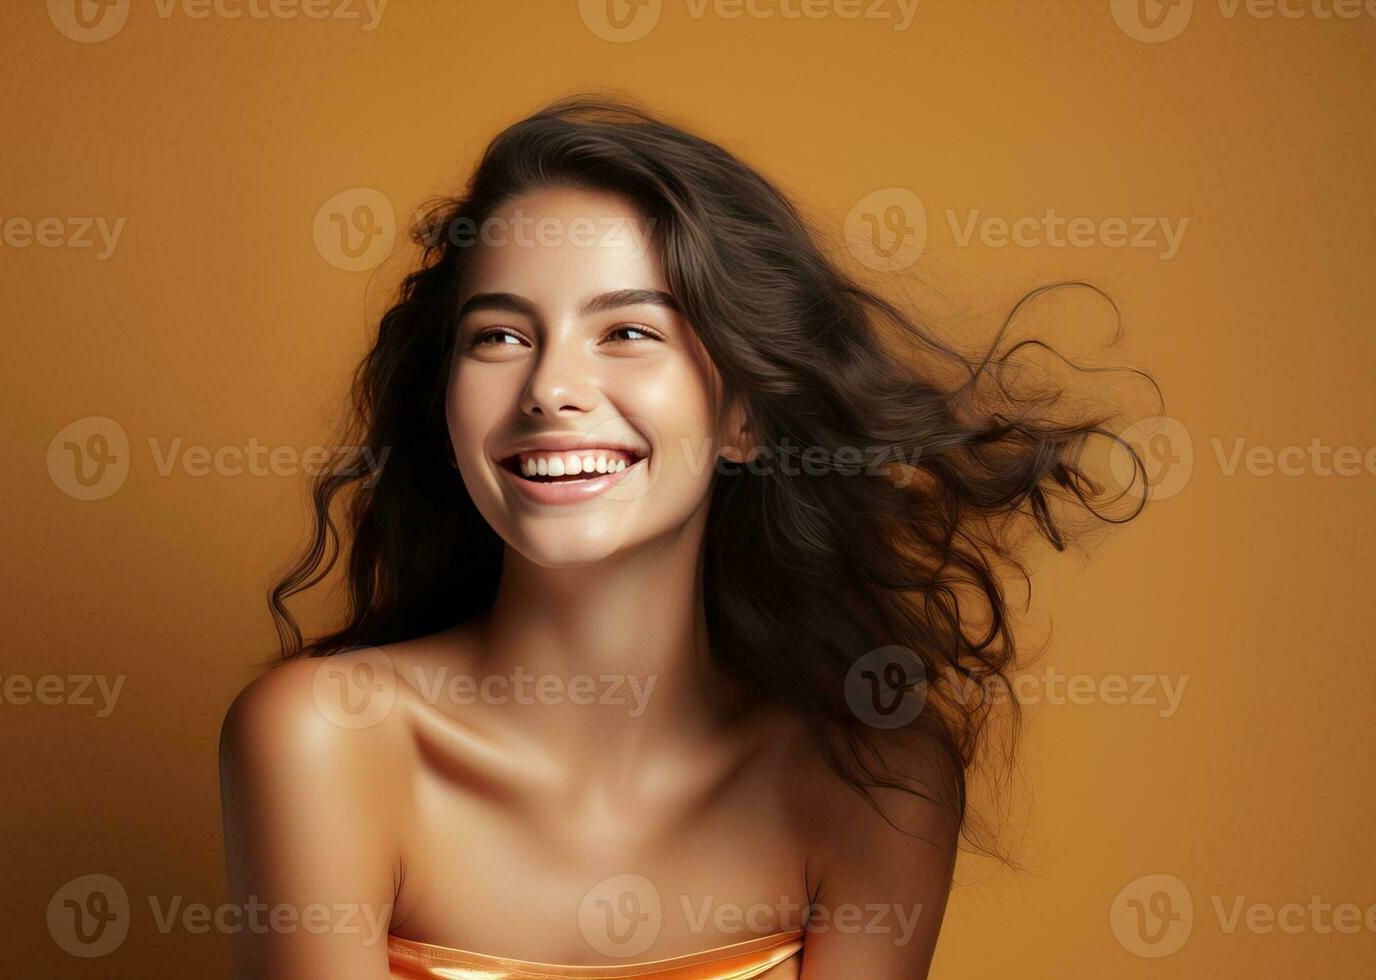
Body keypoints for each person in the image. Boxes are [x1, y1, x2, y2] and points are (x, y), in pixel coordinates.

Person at [220, 93, 1150, 979]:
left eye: (626, 331)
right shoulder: (323, 740)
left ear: (744, 415)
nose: (549, 389)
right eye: (499, 337)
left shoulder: (877, 781)